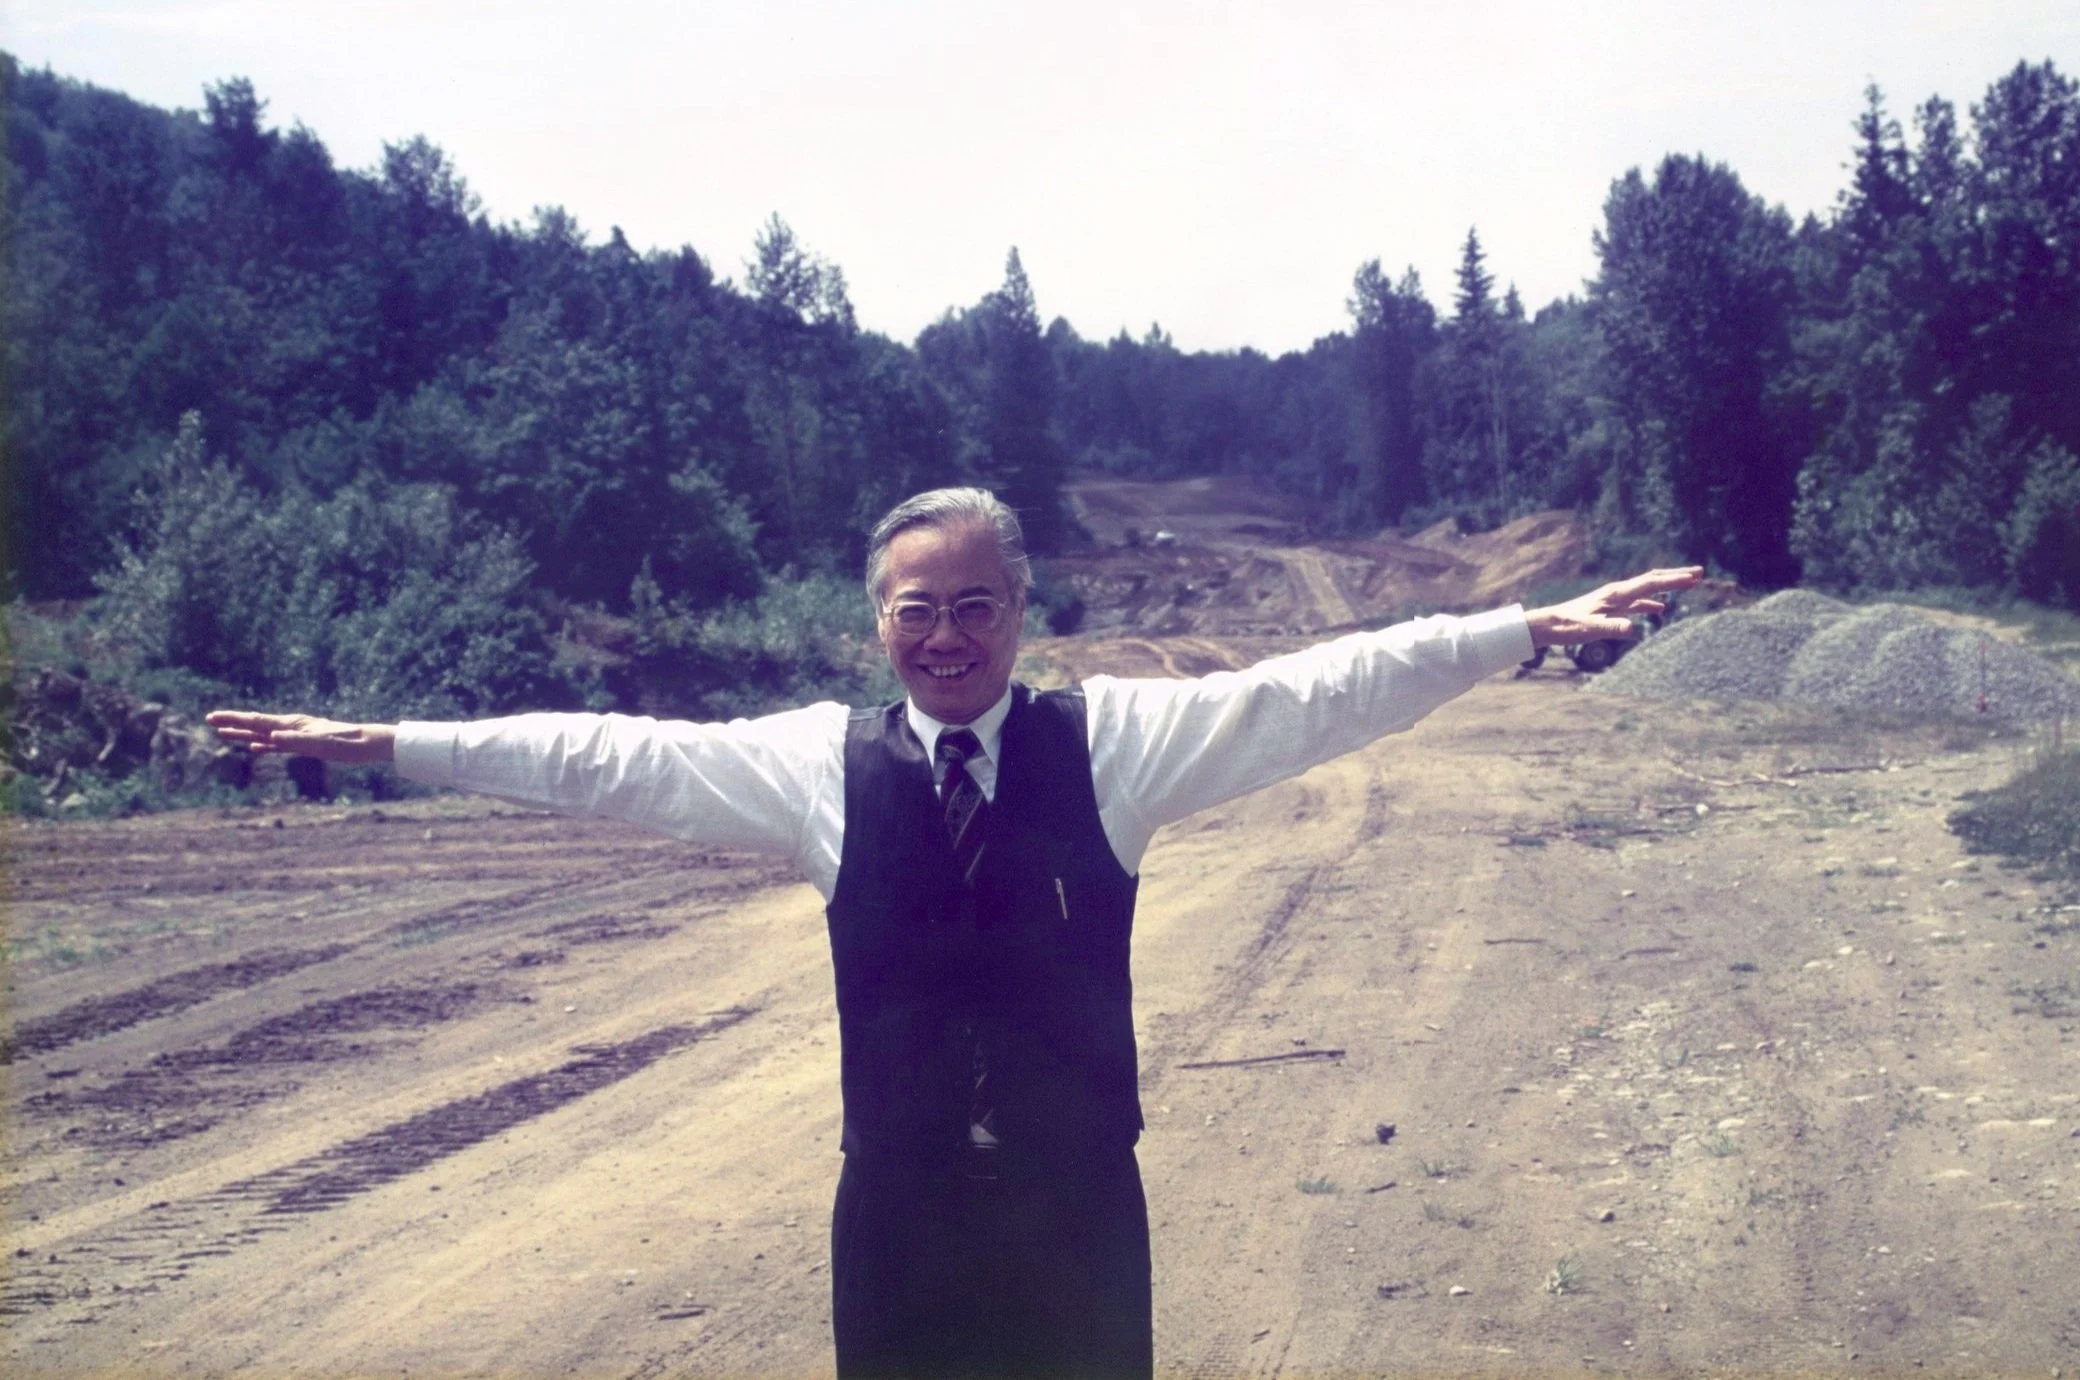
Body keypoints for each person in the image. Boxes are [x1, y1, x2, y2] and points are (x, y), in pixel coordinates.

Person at [209, 487, 1699, 1379]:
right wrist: (383, 738)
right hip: (901, 1217)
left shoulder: (1114, 742)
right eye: (918, 610)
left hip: (1076, 1212)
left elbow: (1312, 689)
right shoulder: (814, 767)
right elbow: (607, 753)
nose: (947, 637)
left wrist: (1513, 632)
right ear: (877, 622)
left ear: (1021, 611)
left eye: (975, 606)